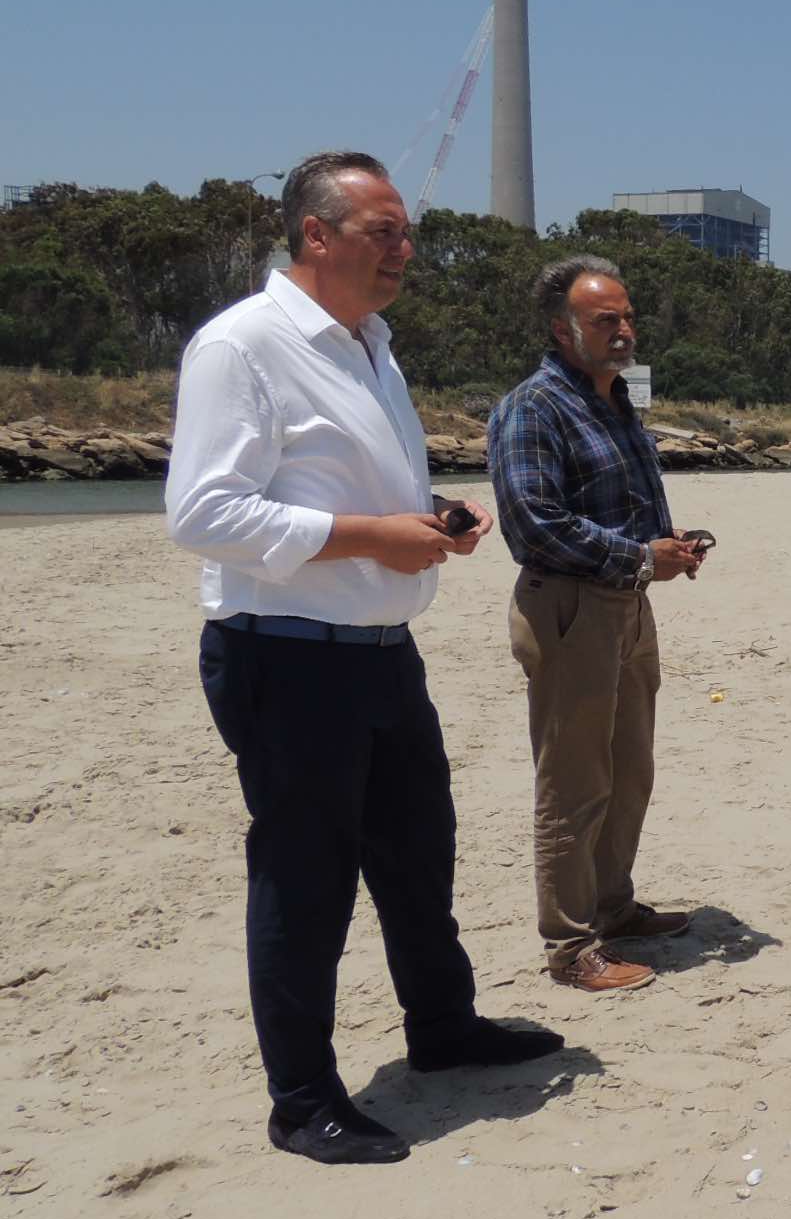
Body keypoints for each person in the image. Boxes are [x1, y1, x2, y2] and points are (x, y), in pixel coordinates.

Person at [165, 151, 563, 1167]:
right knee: (306, 883)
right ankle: (302, 1102)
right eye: (383, 231)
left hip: (382, 651)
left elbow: (347, 490)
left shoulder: (371, 345)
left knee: (418, 856)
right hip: (284, 657)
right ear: (316, 234)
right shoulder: (242, 345)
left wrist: (427, 521)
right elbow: (203, 514)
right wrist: (371, 537)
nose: (405, 250)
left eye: (405, 233)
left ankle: (443, 1029)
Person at [488, 256, 711, 993]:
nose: (623, 331)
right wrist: (641, 557)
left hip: (628, 603)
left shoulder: (614, 402)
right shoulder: (534, 406)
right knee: (574, 783)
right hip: (570, 606)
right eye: (605, 320)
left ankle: (613, 907)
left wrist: (667, 548)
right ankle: (570, 944)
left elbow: (622, 504)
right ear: (563, 330)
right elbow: (533, 523)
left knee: (629, 771)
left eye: (627, 317)